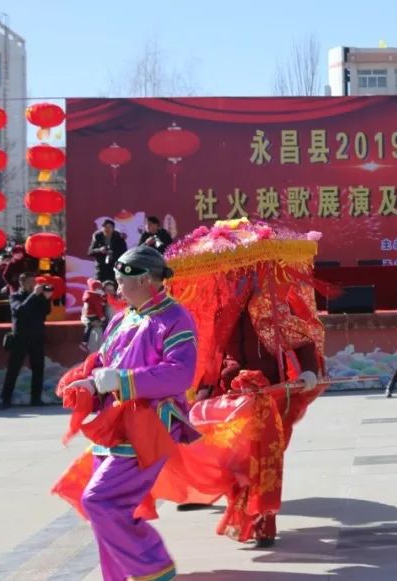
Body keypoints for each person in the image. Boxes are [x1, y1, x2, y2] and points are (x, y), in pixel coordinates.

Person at [161, 219, 325, 548]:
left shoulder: (279, 303)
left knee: (263, 457)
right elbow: (219, 352)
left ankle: (261, 520)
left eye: (245, 269)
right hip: (233, 393)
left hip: (273, 392)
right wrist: (208, 385)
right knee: (235, 456)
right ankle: (246, 515)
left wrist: (308, 371)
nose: (238, 276)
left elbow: (302, 338)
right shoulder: (225, 310)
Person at [57, 245, 199, 581]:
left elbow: (181, 373)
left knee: (100, 501)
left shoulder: (174, 317)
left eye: (122, 281)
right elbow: (105, 364)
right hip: (114, 424)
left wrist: (123, 380)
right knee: (105, 508)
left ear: (148, 280)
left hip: (150, 424)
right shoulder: (122, 319)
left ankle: (154, 566)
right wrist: (91, 384)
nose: (117, 288)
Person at [0, 272, 52, 408]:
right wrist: (33, 295)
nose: (33, 285)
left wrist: (46, 298)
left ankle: (36, 399)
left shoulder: (38, 297)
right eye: (30, 282)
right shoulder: (15, 296)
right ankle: (6, 399)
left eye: (34, 282)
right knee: (13, 369)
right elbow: (21, 310)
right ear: (22, 283)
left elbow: (46, 311)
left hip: (37, 338)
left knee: (38, 368)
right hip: (20, 338)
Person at [80, 278, 107, 352]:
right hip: (94, 335)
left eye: (111, 290)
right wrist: (90, 323)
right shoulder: (93, 299)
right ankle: (84, 343)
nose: (108, 292)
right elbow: (84, 315)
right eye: (107, 290)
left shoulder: (100, 298)